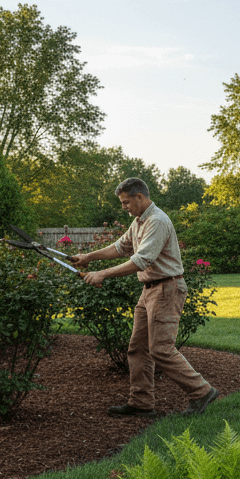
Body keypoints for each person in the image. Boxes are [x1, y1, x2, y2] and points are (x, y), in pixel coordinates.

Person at [70, 177, 219, 418]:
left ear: (140, 197)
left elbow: (141, 261)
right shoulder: (139, 221)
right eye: (122, 203)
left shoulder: (157, 221)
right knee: (138, 348)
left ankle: (201, 391)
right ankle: (141, 402)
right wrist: (88, 257)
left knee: (161, 349)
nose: (123, 207)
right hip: (149, 290)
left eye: (126, 202)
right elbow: (120, 248)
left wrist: (101, 275)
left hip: (166, 289)